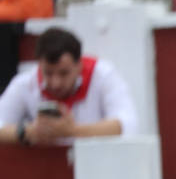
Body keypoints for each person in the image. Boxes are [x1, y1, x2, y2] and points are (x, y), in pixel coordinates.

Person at [0, 27, 137, 148]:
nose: (55, 83)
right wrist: (27, 132)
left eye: (64, 73)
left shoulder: (104, 75)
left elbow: (128, 126)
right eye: (48, 73)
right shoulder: (26, 82)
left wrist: (73, 131)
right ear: (39, 65)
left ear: (79, 65)